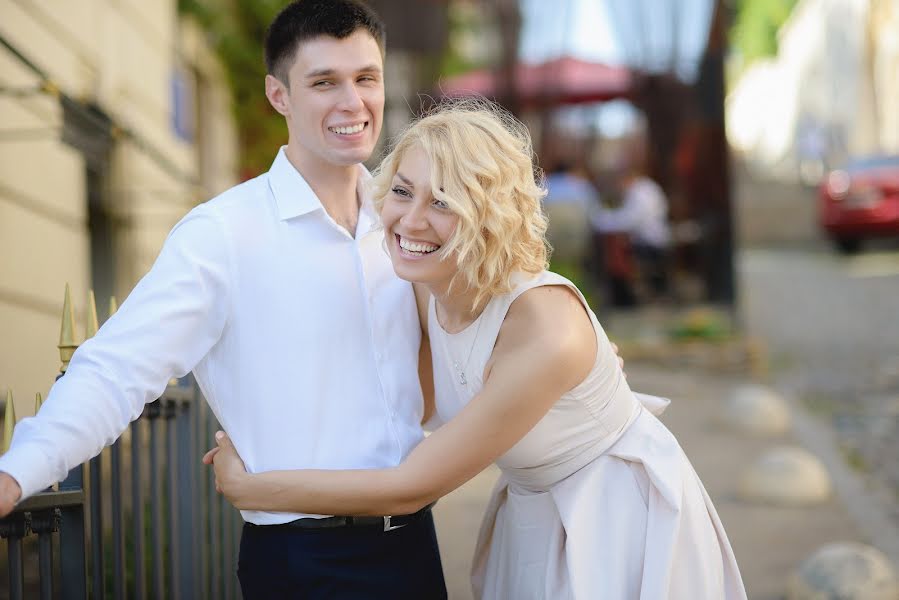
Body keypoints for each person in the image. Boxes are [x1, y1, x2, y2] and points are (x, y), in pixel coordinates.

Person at [206, 101, 748, 599]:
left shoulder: (544, 330)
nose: (411, 220)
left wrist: (252, 487)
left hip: (613, 516)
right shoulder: (423, 282)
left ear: (489, 213)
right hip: (533, 508)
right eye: (402, 190)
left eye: (443, 201)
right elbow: (401, 400)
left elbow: (409, 488)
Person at [0, 2, 449, 598]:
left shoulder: (404, 224)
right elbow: (115, 370)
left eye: (366, 78)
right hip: (303, 559)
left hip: (415, 546)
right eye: (323, 82)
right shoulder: (222, 235)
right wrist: (16, 471)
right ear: (278, 94)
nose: (352, 102)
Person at [593, 164, 672, 302]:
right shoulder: (646, 188)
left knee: (614, 251)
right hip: (653, 241)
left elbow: (629, 221)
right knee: (615, 246)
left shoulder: (640, 193)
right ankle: (623, 293)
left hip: (650, 244)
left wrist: (604, 219)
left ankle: (623, 295)